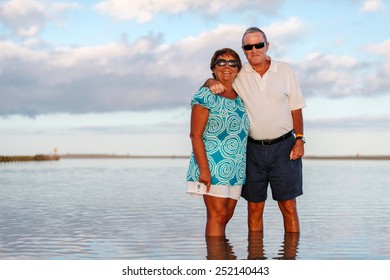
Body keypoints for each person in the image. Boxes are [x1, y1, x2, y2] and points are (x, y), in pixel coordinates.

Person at [206, 27, 306, 233]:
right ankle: (256, 259)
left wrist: (300, 139)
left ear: (267, 46)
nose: (254, 50)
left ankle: (292, 259)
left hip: (285, 147)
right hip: (251, 150)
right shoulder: (239, 72)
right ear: (244, 50)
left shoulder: (285, 70)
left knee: (288, 206)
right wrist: (209, 81)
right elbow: (219, 76)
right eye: (248, 47)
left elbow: (296, 106)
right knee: (254, 208)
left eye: (258, 45)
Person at [186, 48, 249, 237]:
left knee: (227, 214)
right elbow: (195, 135)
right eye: (221, 62)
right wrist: (204, 170)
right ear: (213, 68)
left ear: (238, 69)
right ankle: (215, 258)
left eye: (232, 63)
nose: (227, 67)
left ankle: (221, 256)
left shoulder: (240, 98)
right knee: (217, 215)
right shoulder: (206, 95)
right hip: (213, 165)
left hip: (236, 168)